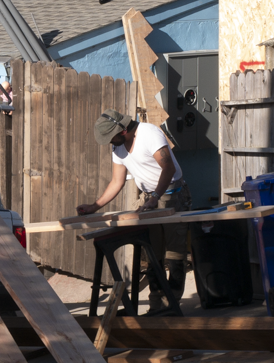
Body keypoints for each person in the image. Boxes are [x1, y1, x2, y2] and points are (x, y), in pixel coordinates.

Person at [78, 109, 191, 316]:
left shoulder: (149, 134)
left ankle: (171, 304)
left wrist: (156, 197)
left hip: (172, 194)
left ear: (122, 131)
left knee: (175, 253)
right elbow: (117, 181)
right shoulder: (119, 147)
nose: (110, 143)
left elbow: (168, 169)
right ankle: (156, 305)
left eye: (111, 137)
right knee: (153, 253)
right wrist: (94, 207)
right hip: (150, 198)